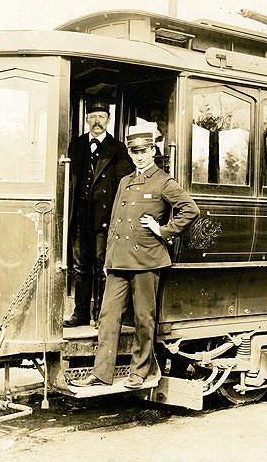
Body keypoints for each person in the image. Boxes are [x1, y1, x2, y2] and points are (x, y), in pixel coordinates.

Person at [74, 129, 200, 389]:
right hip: (119, 261)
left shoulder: (164, 181)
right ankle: (101, 373)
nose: (139, 157)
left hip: (147, 260)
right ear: (129, 154)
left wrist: (163, 230)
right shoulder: (125, 181)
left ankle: (139, 372)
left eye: (143, 151)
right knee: (107, 316)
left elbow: (190, 209)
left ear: (152, 151)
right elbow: (115, 226)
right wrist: (109, 260)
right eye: (134, 152)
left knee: (144, 318)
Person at [65, 98, 133, 327]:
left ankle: (101, 315)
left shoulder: (118, 149)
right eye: (93, 116)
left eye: (101, 117)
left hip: (104, 218)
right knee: (80, 266)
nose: (97, 121)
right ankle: (81, 313)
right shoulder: (76, 146)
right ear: (87, 119)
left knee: (101, 266)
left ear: (108, 120)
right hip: (81, 216)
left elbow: (123, 185)